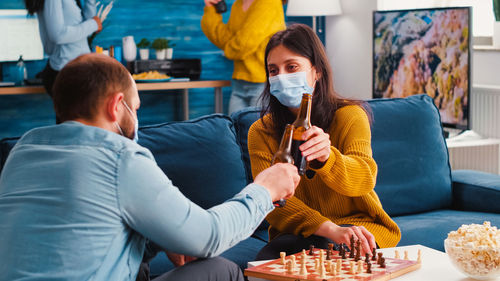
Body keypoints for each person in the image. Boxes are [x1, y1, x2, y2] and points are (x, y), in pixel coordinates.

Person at [0, 53, 300, 281]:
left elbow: (83, 235)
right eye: (136, 107)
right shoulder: (120, 157)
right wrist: (265, 189)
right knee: (220, 269)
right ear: (116, 106)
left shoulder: (21, 153)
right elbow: (209, 236)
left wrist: (159, 237)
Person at [248, 24, 401, 260]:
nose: (281, 77)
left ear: (316, 71)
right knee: (266, 263)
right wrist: (329, 228)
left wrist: (328, 158)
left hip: (359, 225)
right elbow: (272, 203)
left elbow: (364, 179)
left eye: (292, 67)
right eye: (273, 70)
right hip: (297, 233)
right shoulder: (261, 131)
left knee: (337, 260)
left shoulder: (350, 115)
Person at [201, 0, 286, 114]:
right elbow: (223, 38)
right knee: (235, 130)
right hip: (239, 83)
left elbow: (243, 44)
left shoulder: (269, 2)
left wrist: (229, 51)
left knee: (257, 130)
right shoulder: (238, 4)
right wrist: (211, 9)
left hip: (264, 84)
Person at [24, 0, 103, 97]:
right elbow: (57, 35)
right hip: (68, 73)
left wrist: (90, 5)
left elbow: (86, 33)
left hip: (77, 69)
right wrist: (93, 24)